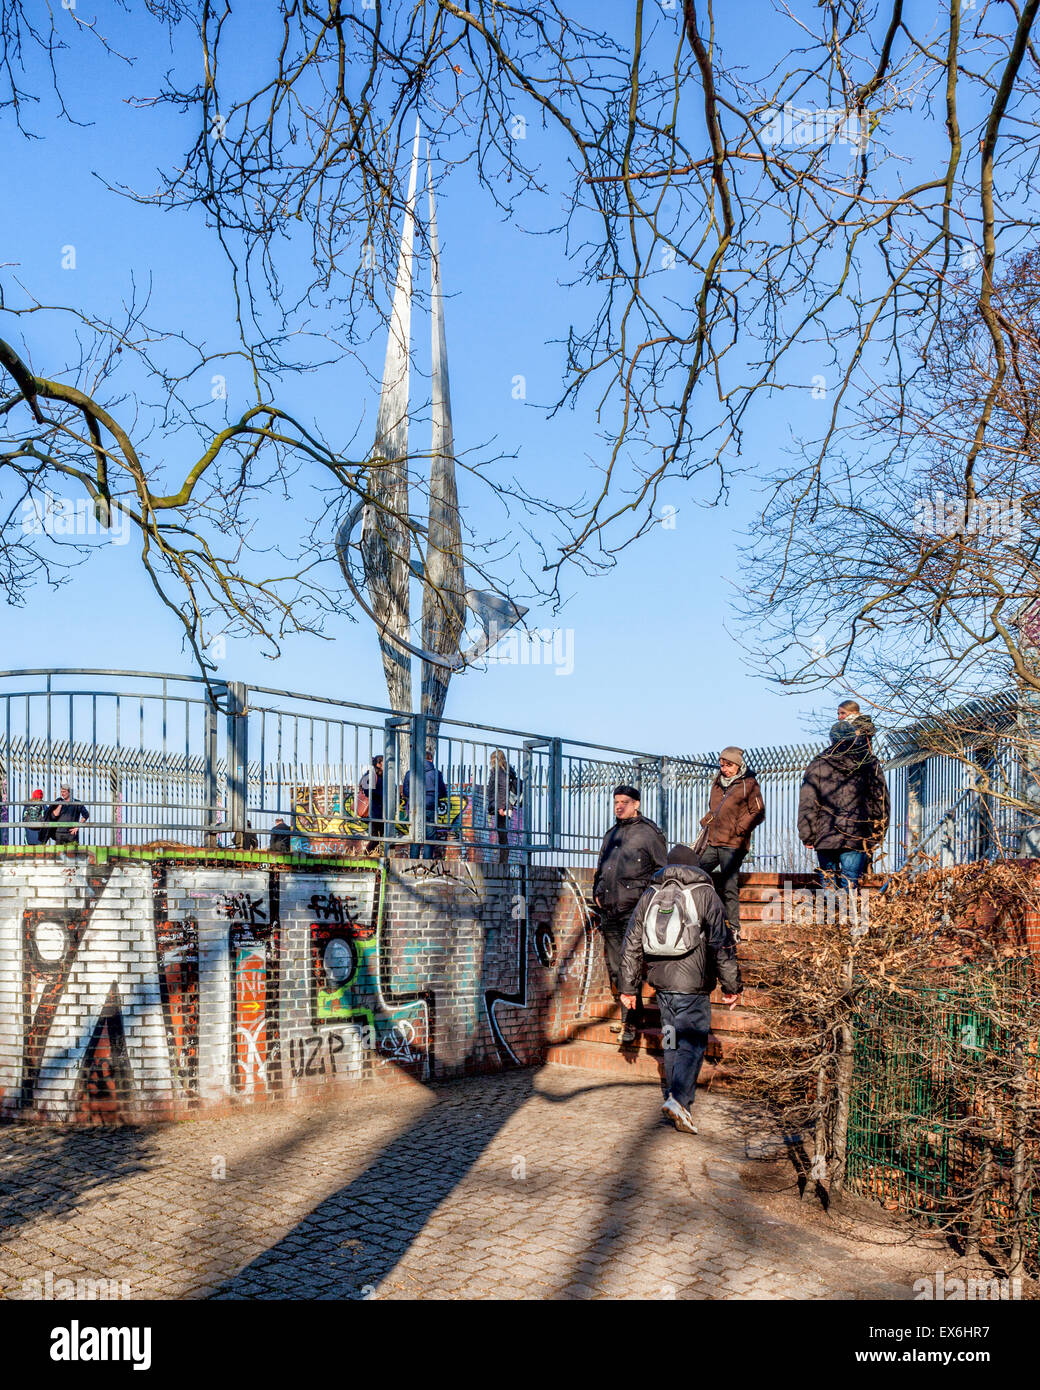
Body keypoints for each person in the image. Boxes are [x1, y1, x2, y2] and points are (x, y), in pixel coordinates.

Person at [619, 844, 742, 1135]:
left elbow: (631, 942)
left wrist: (628, 987)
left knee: (672, 1039)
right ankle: (679, 1100)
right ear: (696, 866)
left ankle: (675, 1098)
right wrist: (731, 985)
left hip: (663, 989)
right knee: (692, 1041)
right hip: (692, 988)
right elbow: (721, 945)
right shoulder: (704, 893)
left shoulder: (650, 894)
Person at [592, 784, 667, 1043]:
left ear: (636, 804)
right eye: (616, 802)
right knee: (616, 968)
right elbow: (601, 866)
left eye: (624, 801)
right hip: (610, 910)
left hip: (634, 911)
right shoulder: (610, 834)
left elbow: (662, 872)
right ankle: (633, 1015)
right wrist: (596, 892)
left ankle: (629, 1023)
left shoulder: (649, 833)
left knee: (628, 966)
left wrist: (647, 904)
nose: (619, 806)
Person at [798, 720, 889, 891]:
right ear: (853, 739)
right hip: (856, 834)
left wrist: (807, 834)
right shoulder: (868, 763)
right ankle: (847, 917)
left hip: (826, 835)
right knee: (850, 883)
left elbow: (808, 802)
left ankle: (833, 916)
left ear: (831, 739)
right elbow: (880, 799)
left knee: (829, 884)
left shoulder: (818, 764)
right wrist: (878, 831)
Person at [694, 745, 764, 942]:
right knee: (696, 873)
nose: (724, 768)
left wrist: (740, 829)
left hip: (733, 843)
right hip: (714, 840)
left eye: (729, 765)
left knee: (729, 884)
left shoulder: (749, 784)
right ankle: (701, 919)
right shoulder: (717, 783)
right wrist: (707, 819)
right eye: (722, 764)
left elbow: (757, 811)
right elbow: (716, 808)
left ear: (738, 765)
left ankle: (734, 928)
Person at [402, 748, 448, 860]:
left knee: (415, 835)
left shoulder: (410, 773)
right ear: (431, 760)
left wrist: (414, 796)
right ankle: (427, 861)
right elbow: (443, 792)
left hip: (415, 807)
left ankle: (413, 861)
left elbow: (405, 792)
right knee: (429, 836)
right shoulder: (437, 774)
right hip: (430, 807)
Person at [485, 749, 520, 865]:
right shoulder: (507, 771)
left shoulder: (499, 771)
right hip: (505, 806)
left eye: (491, 759)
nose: (490, 762)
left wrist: (500, 807)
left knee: (502, 834)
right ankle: (503, 860)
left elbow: (502, 789)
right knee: (502, 833)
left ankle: (503, 862)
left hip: (501, 807)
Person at [359, 755, 385, 854]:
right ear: (378, 764)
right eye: (384, 762)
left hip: (381, 812)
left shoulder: (382, 776)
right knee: (376, 837)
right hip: (373, 811)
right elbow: (366, 790)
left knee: (381, 837)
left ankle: (371, 854)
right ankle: (365, 855)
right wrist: (382, 795)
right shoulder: (371, 775)